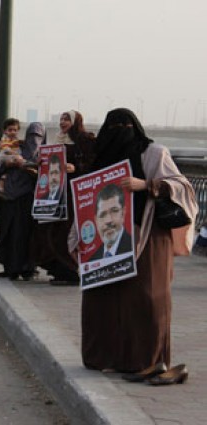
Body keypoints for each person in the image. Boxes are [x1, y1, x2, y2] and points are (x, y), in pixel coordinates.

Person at [79, 108, 198, 376]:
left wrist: (146, 185)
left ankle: (149, 360)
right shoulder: (100, 157)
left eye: (125, 126)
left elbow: (181, 186)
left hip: (148, 236)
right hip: (105, 242)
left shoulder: (153, 153)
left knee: (147, 296)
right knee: (103, 299)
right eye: (114, 127)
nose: (120, 132)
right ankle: (106, 357)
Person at [32, 110, 96, 284]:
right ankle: (59, 272)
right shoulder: (57, 140)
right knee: (51, 231)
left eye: (67, 119)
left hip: (74, 194)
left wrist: (76, 168)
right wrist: (41, 163)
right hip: (55, 194)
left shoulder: (86, 140)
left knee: (66, 233)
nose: (63, 122)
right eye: (61, 119)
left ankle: (72, 272)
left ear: (76, 121)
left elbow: (93, 165)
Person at [0, 122, 45, 280]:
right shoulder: (16, 147)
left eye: (38, 136)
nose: (34, 140)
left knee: (26, 234)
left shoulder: (45, 153)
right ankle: (10, 267)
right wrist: (10, 164)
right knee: (8, 232)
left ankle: (27, 268)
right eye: (32, 136)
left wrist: (33, 168)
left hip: (28, 197)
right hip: (9, 196)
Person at [88, 184, 133, 260]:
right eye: (102, 215)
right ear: (96, 221)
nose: (108, 220)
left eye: (114, 211)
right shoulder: (92, 261)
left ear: (123, 213)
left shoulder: (136, 246)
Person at [0, 118, 22, 199]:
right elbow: (5, 149)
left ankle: (1, 188)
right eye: (10, 130)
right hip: (5, 156)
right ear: (5, 131)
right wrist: (16, 155)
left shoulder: (15, 139)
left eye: (15, 130)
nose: (13, 132)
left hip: (9, 157)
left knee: (5, 174)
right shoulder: (5, 139)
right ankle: (1, 188)